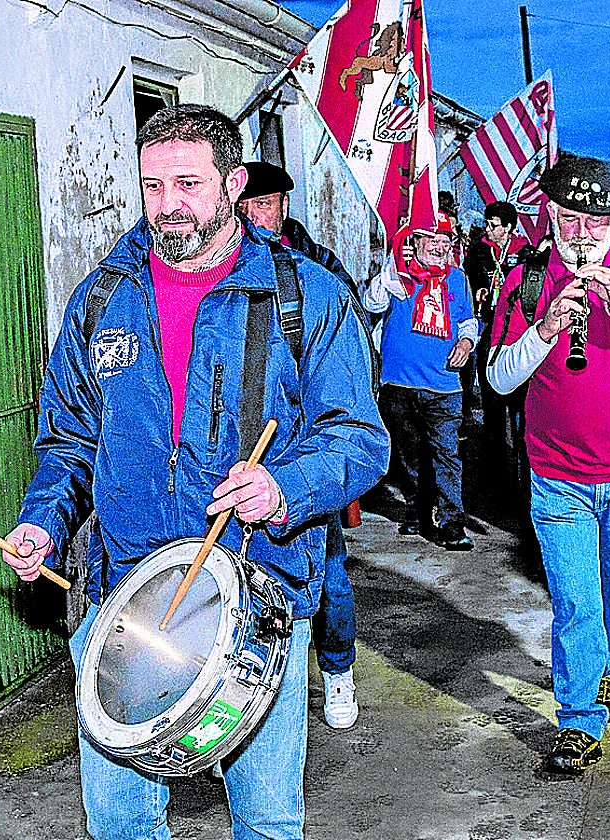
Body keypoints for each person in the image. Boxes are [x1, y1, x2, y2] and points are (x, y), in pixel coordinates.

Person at [1, 104, 388, 840]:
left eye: (187, 183)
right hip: (123, 598)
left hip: (258, 596)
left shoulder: (305, 297)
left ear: (233, 184)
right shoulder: (101, 299)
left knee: (268, 820)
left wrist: (286, 487)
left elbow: (361, 440)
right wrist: (43, 522)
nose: (167, 204)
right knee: (118, 823)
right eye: (152, 186)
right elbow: (70, 439)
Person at [487, 153, 610, 776]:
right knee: (577, 602)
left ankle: (609, 676)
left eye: (597, 223)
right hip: (558, 474)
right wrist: (545, 327)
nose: (582, 234)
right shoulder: (528, 279)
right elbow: (499, 379)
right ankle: (581, 719)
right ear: (550, 215)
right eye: (569, 219)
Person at [237, 160, 362, 730]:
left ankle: (338, 669)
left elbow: (347, 374)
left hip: (305, 462)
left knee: (328, 574)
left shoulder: (316, 273)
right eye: (247, 204)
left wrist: (312, 468)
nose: (252, 214)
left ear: (283, 207)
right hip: (238, 464)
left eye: (263, 205)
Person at [363, 211, 480, 550]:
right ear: (416, 242)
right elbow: (371, 303)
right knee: (410, 455)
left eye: (445, 241)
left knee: (446, 455)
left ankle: (451, 522)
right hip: (399, 383)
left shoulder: (457, 278)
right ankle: (417, 507)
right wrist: (388, 276)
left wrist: (466, 342)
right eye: (433, 239)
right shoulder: (399, 277)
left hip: (443, 385)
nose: (440, 247)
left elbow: (467, 320)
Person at [463, 201, 535, 502]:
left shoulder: (526, 253)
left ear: (508, 227)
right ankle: (495, 476)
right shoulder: (479, 251)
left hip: (517, 336)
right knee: (493, 407)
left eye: (494, 225)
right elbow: (470, 279)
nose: (489, 230)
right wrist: (478, 289)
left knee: (522, 412)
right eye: (487, 224)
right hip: (488, 332)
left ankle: (523, 474)